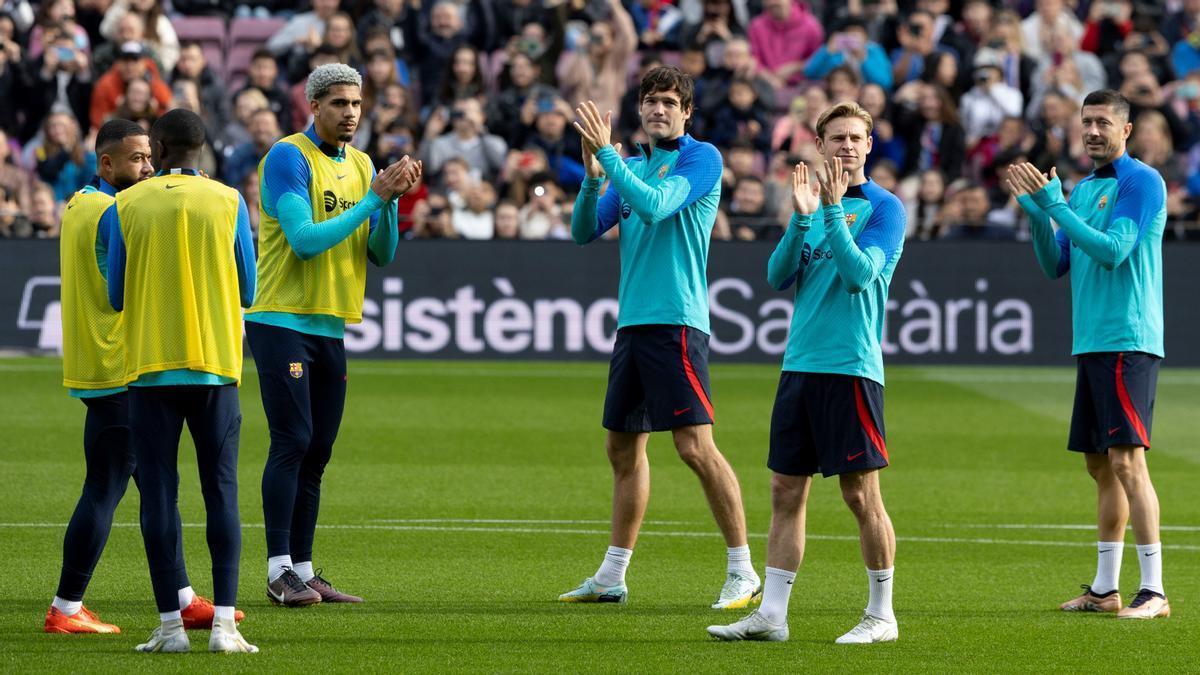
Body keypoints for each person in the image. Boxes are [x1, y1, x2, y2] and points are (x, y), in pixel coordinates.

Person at [708, 101, 905, 645]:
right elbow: (776, 275)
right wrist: (801, 219)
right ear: (818, 146)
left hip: (852, 368)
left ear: (869, 145)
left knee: (861, 495)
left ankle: (881, 614)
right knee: (784, 490)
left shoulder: (885, 209)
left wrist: (834, 213)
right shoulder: (811, 207)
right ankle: (772, 614)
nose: (845, 145)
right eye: (835, 137)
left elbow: (860, 275)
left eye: (855, 137)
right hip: (800, 366)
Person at [563, 65, 759, 609]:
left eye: (670, 102)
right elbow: (583, 231)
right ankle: (612, 575)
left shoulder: (702, 159)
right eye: (651, 101)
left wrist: (607, 160)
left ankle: (743, 570)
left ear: (686, 112)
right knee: (622, 448)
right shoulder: (627, 165)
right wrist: (592, 177)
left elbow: (653, 206)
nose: (659, 109)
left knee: (695, 447)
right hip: (634, 324)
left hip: (677, 321)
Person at [48, 118, 239, 636]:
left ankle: (180, 598)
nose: (149, 167)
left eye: (149, 156)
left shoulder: (81, 204)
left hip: (99, 363)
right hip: (122, 369)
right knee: (109, 487)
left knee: (155, 492)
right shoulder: (118, 210)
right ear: (106, 164)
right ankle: (66, 607)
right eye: (137, 159)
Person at [247, 63, 421, 607]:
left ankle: (302, 568)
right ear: (314, 106)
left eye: (356, 103)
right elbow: (301, 240)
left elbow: (382, 254)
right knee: (293, 441)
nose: (350, 113)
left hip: (327, 324)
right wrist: (374, 199)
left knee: (318, 450)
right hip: (280, 317)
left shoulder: (364, 164)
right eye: (340, 103)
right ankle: (278, 571)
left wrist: (387, 201)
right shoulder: (288, 157)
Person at [1006, 89, 1169, 620]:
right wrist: (1037, 216)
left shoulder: (1140, 182)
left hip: (1128, 337)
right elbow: (1057, 263)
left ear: (1126, 129)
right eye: (1087, 122)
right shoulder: (1080, 190)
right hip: (1093, 341)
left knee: (1127, 461)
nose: (1093, 130)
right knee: (1101, 467)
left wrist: (1054, 206)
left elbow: (1114, 251)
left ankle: (1154, 591)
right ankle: (1105, 589)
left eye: (1103, 122)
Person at [104, 109, 258, 653]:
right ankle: (224, 626)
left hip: (149, 369)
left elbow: (117, 295)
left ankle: (171, 627)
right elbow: (249, 289)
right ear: (204, 150)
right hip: (215, 366)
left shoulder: (127, 204)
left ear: (160, 151)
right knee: (221, 492)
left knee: (159, 496)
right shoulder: (230, 200)